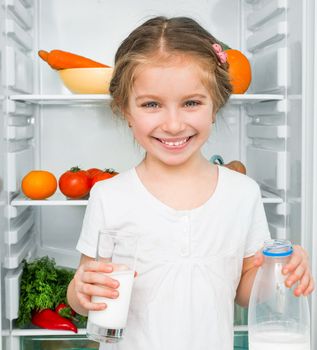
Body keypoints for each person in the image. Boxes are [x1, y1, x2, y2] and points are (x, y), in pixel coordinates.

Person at [67, 16, 314, 350]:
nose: (172, 124)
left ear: (216, 105)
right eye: (151, 104)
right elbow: (85, 295)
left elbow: (244, 294)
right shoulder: (109, 195)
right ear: (126, 110)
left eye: (192, 103)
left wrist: (281, 268)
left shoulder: (242, 194)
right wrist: (80, 291)